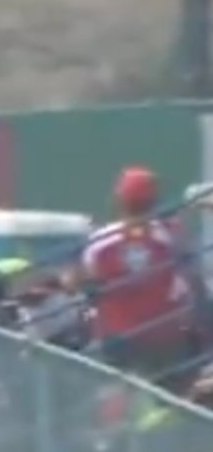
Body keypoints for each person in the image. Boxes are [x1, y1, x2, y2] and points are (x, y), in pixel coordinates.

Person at [80, 166, 193, 387]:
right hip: (164, 335)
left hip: (117, 336)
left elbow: (87, 281)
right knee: (170, 394)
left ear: (120, 200)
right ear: (153, 201)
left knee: (116, 392)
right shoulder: (168, 236)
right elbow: (186, 270)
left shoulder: (100, 241)